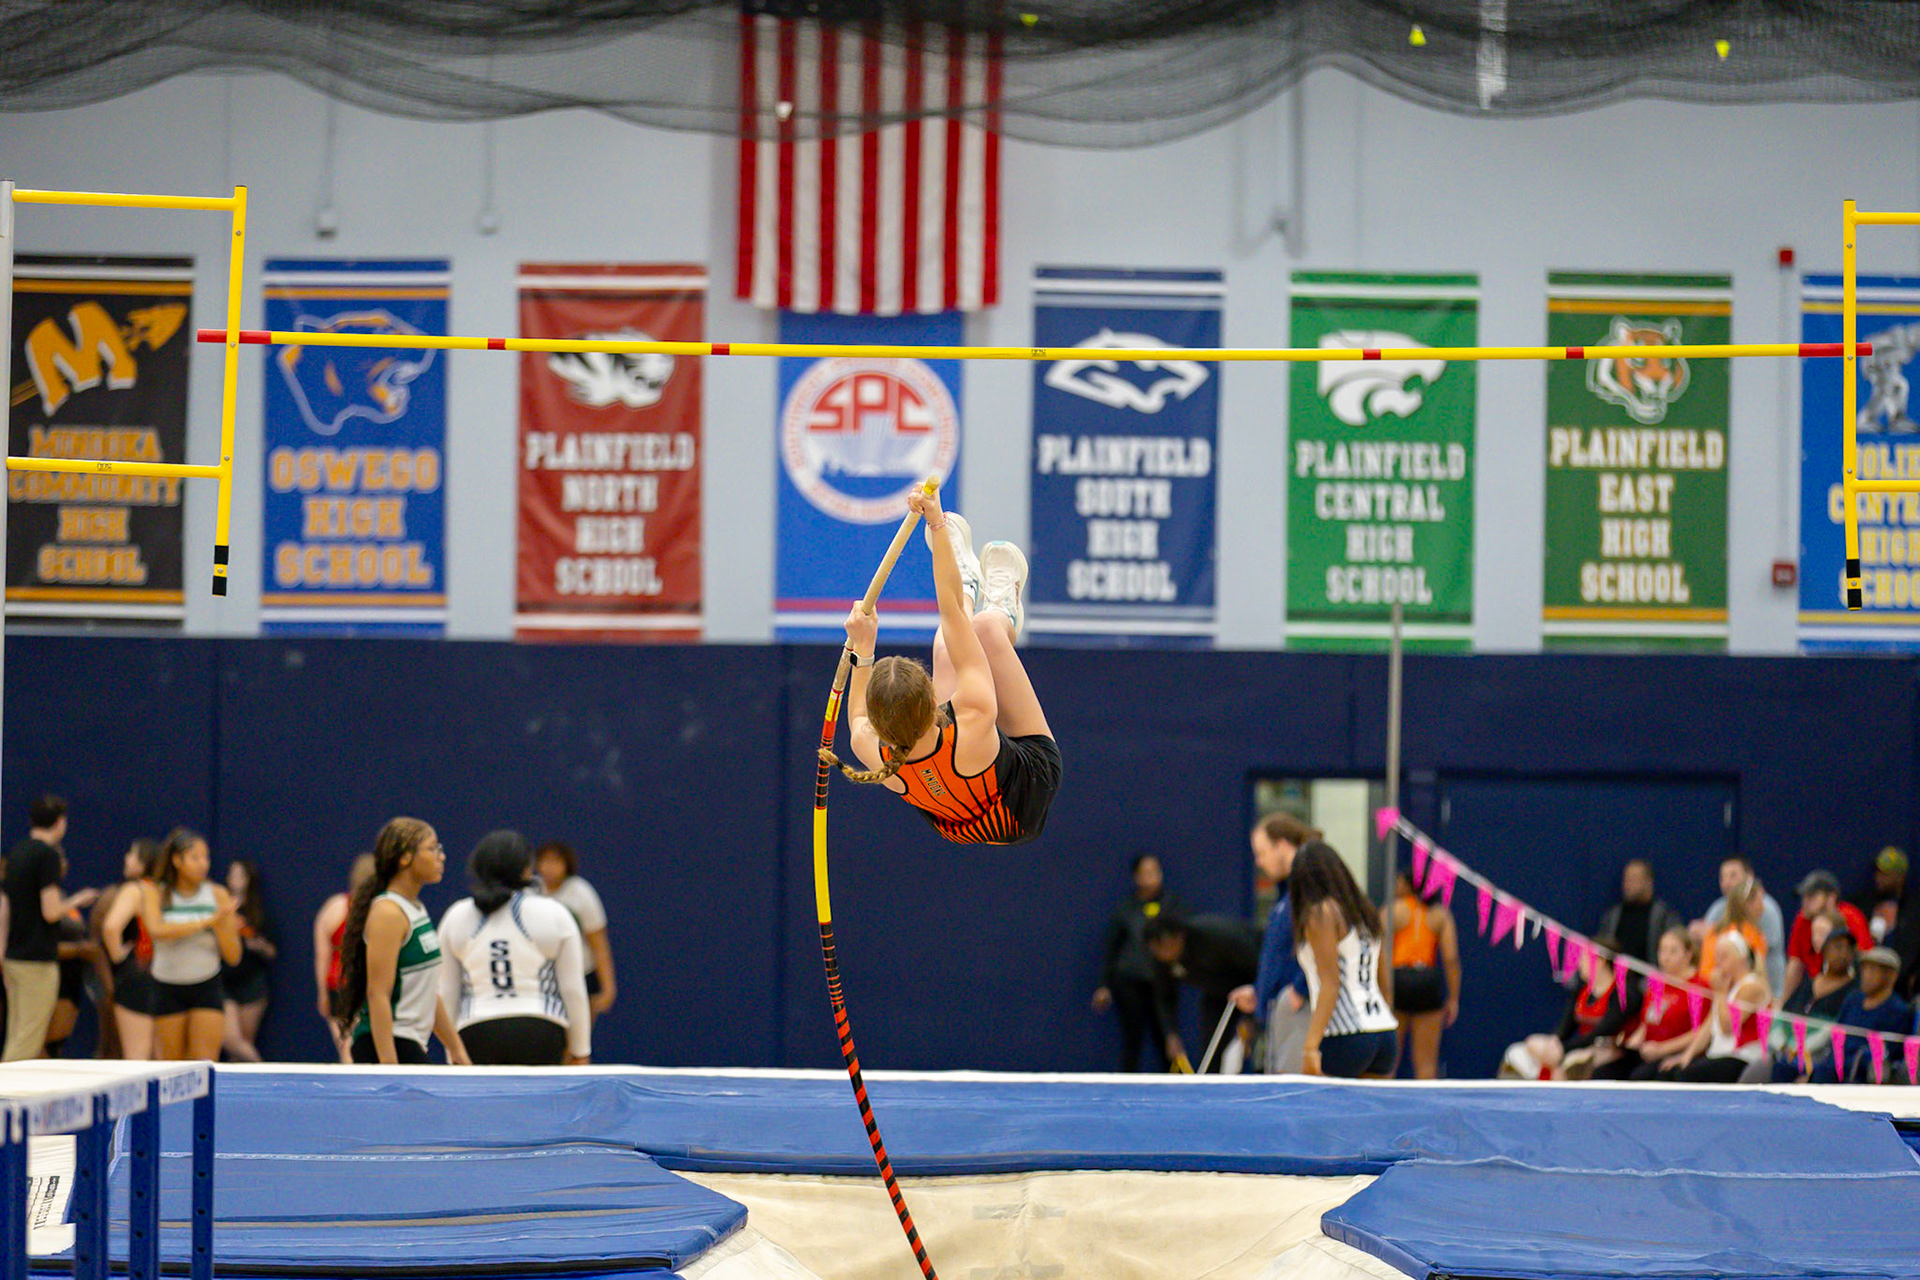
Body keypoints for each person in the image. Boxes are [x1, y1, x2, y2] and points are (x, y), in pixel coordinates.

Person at [822, 489, 1063, 847]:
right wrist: (936, 524)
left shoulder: (871, 747)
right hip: (1023, 800)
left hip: (959, 820)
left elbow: (857, 714)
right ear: (933, 698)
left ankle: (969, 582)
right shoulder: (974, 713)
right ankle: (1004, 609)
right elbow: (952, 615)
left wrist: (863, 645)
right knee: (983, 629)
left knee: (944, 646)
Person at [440, 831, 590, 1066]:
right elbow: (573, 989)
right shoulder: (554, 913)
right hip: (540, 1030)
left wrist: (452, 1053)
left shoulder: (456, 916)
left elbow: (446, 993)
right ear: (527, 869)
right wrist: (580, 1050)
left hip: (475, 1032)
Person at [334, 818, 467, 1066]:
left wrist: (456, 1048)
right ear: (405, 858)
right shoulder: (388, 913)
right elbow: (377, 994)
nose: (441, 856)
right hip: (384, 1044)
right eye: (432, 848)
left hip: (408, 1042)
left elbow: (428, 991)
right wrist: (390, 1067)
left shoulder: (415, 908)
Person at [1290, 843, 1398, 1079]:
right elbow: (1385, 984)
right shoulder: (1365, 910)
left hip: (1344, 1035)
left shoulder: (1320, 913)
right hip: (1384, 1032)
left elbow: (1330, 984)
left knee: (1321, 1103)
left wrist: (1310, 1047)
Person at [3, 796, 99, 1061]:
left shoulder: (17, 853)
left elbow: (4, 907)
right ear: (60, 822)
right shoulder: (48, 856)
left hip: (14, 957)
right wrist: (78, 899)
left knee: (17, 1033)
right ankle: (9, 1086)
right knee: (27, 1040)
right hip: (37, 959)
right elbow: (51, 911)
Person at [138, 829, 242, 1061]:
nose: (203, 864)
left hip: (206, 985)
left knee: (204, 1064)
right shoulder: (155, 892)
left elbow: (233, 956)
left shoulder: (217, 895)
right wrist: (206, 921)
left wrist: (222, 925)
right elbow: (157, 930)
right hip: (167, 986)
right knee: (171, 1067)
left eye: (206, 857)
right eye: (195, 857)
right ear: (177, 860)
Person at [1228, 814, 1318, 1074]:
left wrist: (1300, 989)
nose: (1259, 862)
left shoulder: (1308, 889)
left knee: (1291, 1090)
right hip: (1278, 1012)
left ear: (1282, 845)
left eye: (1262, 853)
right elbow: (1280, 954)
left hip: (1300, 1012)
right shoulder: (1286, 895)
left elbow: (1324, 944)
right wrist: (1260, 990)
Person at [1091, 854, 1185, 1072]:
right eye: (1146, 872)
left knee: (1168, 1038)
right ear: (1137, 877)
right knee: (1132, 1040)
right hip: (1130, 983)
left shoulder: (1173, 905)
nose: (1152, 877)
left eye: (1156, 871)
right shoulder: (1126, 908)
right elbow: (1112, 948)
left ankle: (1175, 1088)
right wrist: (1104, 985)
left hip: (1162, 984)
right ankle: (1127, 1084)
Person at [1503, 936, 1641, 1080]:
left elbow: (1602, 1032)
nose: (1579, 964)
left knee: (1573, 1063)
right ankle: (1543, 1074)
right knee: (1524, 1047)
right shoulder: (1582, 991)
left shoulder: (1623, 994)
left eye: (1584, 959)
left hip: (1611, 1052)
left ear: (1599, 961)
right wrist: (1555, 1043)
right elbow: (1565, 1027)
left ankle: (1551, 1075)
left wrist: (1565, 1049)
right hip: (1580, 1047)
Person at [1144, 913, 1258, 1072]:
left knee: (1252, 1041)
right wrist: (1171, 1034)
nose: (1163, 955)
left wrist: (1251, 1016)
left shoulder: (1215, 935)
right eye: (1156, 950)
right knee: (1210, 1050)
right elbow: (1164, 996)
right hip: (1217, 993)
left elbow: (1257, 964)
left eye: (1165, 947)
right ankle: (1211, 1083)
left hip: (1251, 984)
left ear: (1179, 936)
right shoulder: (1161, 960)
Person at [1668, 932, 1771, 1083]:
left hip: (1742, 1057)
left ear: (1740, 959)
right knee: (1671, 1072)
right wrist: (1686, 1056)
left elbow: (1728, 1026)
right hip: (1720, 1055)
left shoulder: (1751, 986)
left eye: (1724, 956)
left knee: (1687, 1076)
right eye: (1717, 956)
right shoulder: (1728, 986)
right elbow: (1708, 1026)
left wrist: (1720, 994)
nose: (1718, 962)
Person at [1388, 868, 1460, 1079]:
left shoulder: (1393, 910)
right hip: (1427, 982)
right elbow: (1450, 958)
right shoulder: (1440, 914)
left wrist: (1382, 990)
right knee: (1426, 1065)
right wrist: (1453, 998)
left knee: (1388, 1062)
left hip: (1398, 980)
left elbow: (1377, 951)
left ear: (1407, 884)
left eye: (1398, 882)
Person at [534, 842, 617, 1020]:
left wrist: (608, 988)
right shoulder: (530, 891)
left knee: (578, 1033)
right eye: (545, 861)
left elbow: (599, 945)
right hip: (542, 977)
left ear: (567, 865)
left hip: (581, 974)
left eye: (555, 861)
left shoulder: (582, 894)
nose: (549, 867)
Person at [1775, 912, 1859, 1081]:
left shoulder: (1854, 990)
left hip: (1821, 1056)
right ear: (1825, 950)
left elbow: (1836, 1031)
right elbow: (1783, 1016)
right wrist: (1782, 1044)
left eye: (1847, 949)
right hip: (1788, 1051)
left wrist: (1801, 1050)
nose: (1842, 954)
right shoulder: (1808, 983)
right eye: (1837, 947)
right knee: (1774, 1067)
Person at [1810, 946, 1914, 1084]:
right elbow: (1835, 1035)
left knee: (1823, 1074)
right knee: (1787, 1067)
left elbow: (1888, 1055)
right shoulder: (1853, 1000)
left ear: (1891, 976)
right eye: (1864, 969)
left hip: (1860, 1076)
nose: (1866, 976)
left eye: (1873, 970)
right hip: (1831, 1065)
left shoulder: (1898, 1010)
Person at [99, 839, 161, 1060]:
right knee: (161, 1057)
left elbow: (110, 927)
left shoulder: (136, 890)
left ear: (144, 863)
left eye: (132, 854)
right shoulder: (165, 890)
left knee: (137, 1056)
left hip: (138, 974)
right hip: (165, 975)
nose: (126, 858)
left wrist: (119, 958)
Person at [315, 852, 376, 1063]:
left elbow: (322, 957)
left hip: (338, 987)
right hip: (367, 986)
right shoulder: (382, 911)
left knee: (347, 1047)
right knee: (363, 1047)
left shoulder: (333, 907)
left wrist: (323, 993)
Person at [1780, 871, 1871, 1006]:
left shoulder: (1852, 918)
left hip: (1844, 991)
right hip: (1815, 987)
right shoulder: (1802, 918)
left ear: (1831, 898)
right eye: (1804, 897)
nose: (1805, 902)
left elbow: (1863, 962)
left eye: (1811, 897)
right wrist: (1783, 1003)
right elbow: (1796, 964)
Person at [1623, 928, 1704, 1080]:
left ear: (1688, 954)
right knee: (1610, 1068)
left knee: (1640, 1076)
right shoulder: (1656, 984)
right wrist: (1631, 1043)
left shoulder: (1699, 988)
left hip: (1677, 1052)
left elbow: (1700, 1032)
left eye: (1673, 951)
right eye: (1662, 951)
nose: (1666, 957)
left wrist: (1663, 1049)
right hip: (1649, 1050)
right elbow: (1646, 1023)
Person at [1701, 855, 1785, 993]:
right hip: (1732, 994)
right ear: (1747, 904)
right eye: (1723, 877)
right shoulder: (1744, 933)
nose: (1727, 883)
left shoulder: (1764, 917)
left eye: (1733, 875)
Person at [221, 860, 276, 1063]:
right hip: (224, 982)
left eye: (240, 875)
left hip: (252, 983)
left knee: (243, 1046)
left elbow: (272, 951)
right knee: (232, 1041)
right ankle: (265, 1072)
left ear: (249, 879)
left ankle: (247, 1080)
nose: (234, 879)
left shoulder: (258, 912)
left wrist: (258, 945)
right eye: (231, 874)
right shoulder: (221, 909)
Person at [1851, 846, 1920, 998]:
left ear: (1900, 877)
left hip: (1899, 986)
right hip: (1861, 979)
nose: (1879, 878)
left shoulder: (1914, 909)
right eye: (1878, 872)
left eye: (1886, 874)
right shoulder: (1862, 903)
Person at [1595, 859, 1685, 966]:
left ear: (1648, 882)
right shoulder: (1612, 916)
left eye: (1634, 879)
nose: (1628, 884)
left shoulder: (1664, 916)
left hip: (1650, 974)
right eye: (1626, 879)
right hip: (1618, 974)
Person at [1698, 878, 1769, 988]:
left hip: (1707, 990)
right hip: (1735, 992)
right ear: (1747, 904)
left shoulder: (1714, 930)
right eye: (1760, 902)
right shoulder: (1751, 934)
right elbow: (1757, 974)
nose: (1763, 908)